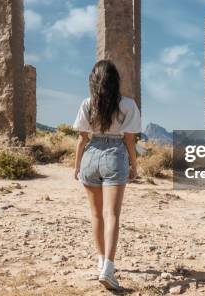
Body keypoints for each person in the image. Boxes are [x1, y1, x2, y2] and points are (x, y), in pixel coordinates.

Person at [73, 60, 141, 290]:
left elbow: (82, 138)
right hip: (115, 153)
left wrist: (76, 166)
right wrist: (134, 165)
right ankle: (109, 269)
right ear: (115, 80)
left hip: (90, 156)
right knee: (112, 214)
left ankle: (101, 260)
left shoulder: (87, 104)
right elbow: (129, 140)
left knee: (96, 215)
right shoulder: (128, 105)